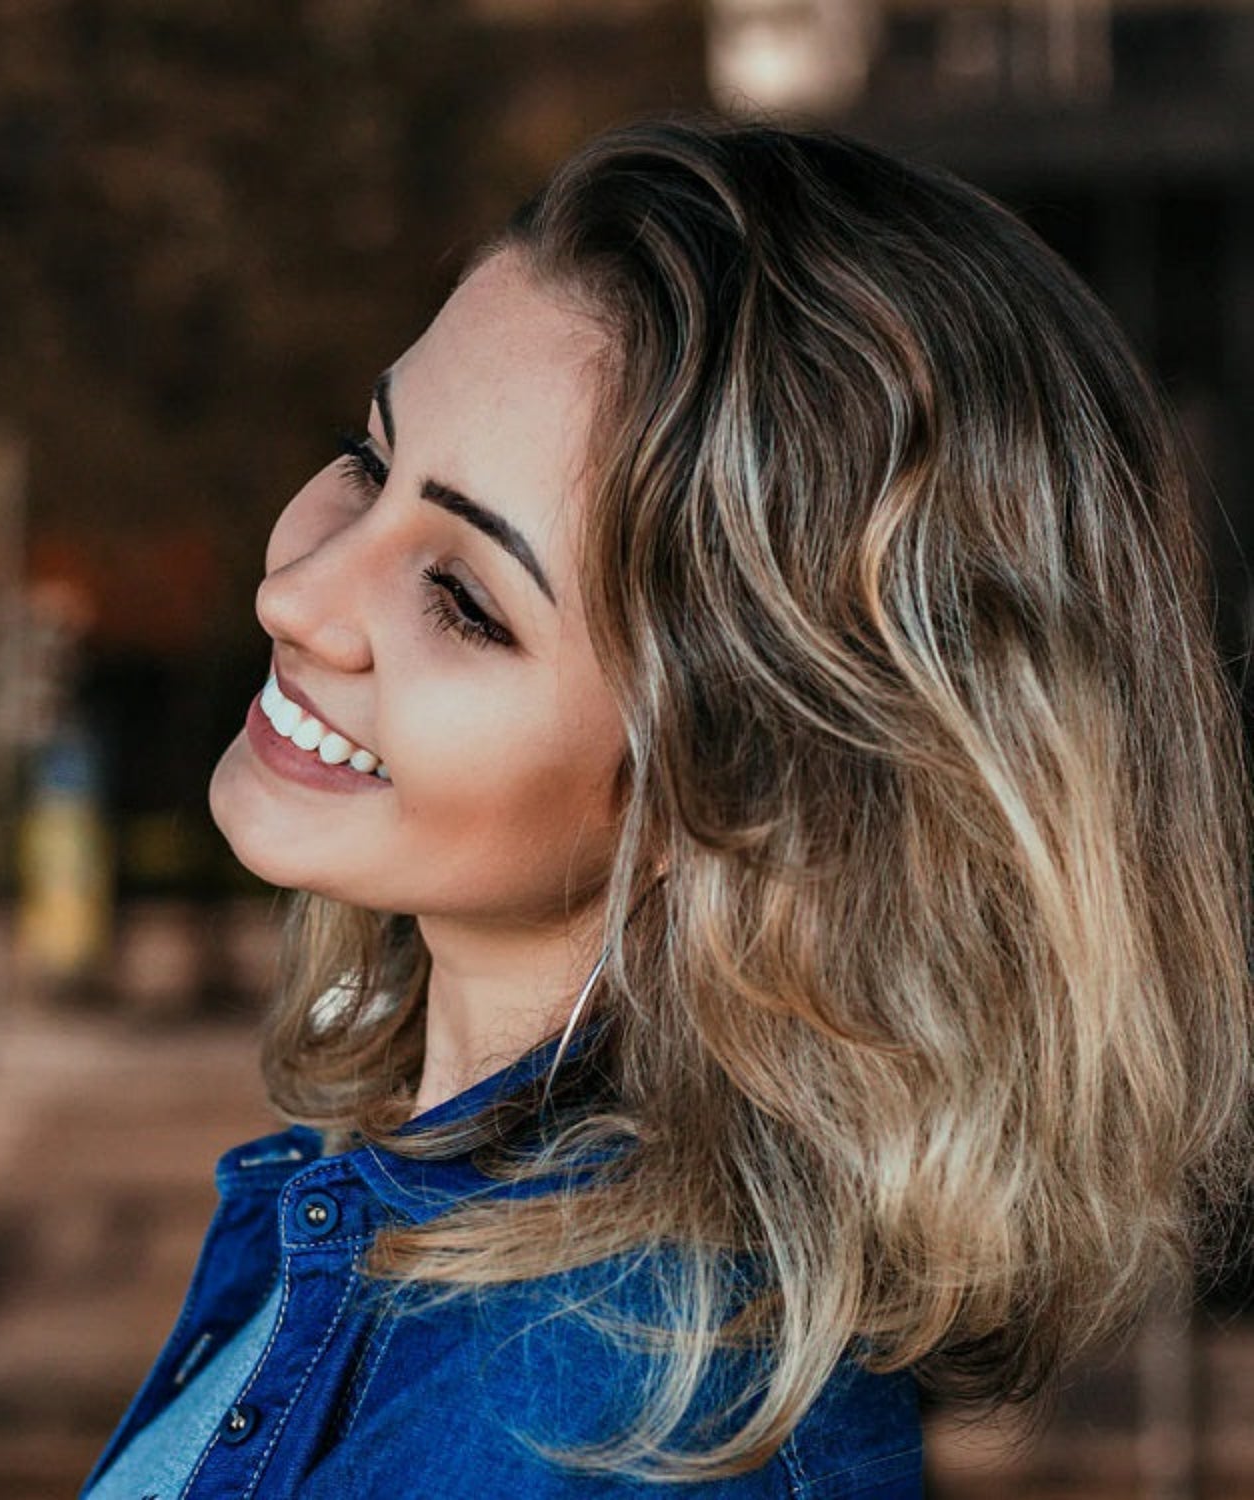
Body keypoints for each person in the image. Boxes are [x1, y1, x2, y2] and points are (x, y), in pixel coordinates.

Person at [81, 116, 1254, 1498]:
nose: (297, 593)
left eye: (463, 597)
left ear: (748, 785)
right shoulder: (443, 1256)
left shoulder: (606, 1435)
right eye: (365, 455)